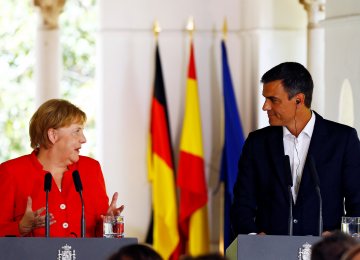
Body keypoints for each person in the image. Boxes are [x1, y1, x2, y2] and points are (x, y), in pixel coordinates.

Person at [230, 62, 360, 236]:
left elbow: (357, 203)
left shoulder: (343, 139)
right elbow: (242, 204)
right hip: (269, 253)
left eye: (273, 100)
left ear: (299, 100)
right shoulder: (257, 143)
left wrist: (342, 240)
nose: (265, 107)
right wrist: (254, 239)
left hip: (326, 253)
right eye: (265, 99)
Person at [0, 99, 124, 237]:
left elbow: (99, 236)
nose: (83, 139)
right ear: (53, 135)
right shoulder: (11, 172)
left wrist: (109, 223)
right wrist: (21, 228)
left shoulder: (91, 169)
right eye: (76, 131)